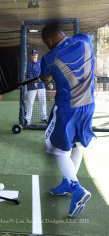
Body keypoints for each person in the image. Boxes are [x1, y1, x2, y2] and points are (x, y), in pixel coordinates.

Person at [39, 23, 96, 217]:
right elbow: (79, 35)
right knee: (76, 145)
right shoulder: (85, 41)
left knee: (58, 149)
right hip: (88, 106)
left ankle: (76, 187)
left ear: (48, 41)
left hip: (66, 109)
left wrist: (43, 75)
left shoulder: (48, 59)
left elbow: (45, 79)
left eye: (45, 42)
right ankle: (67, 182)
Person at [25, 49, 48, 125]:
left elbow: (43, 73)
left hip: (41, 85)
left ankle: (43, 118)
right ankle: (28, 120)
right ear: (31, 56)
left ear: (37, 56)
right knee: (30, 103)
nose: (34, 55)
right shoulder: (29, 64)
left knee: (43, 102)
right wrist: (34, 82)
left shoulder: (40, 63)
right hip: (32, 86)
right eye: (33, 54)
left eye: (35, 54)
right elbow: (29, 74)